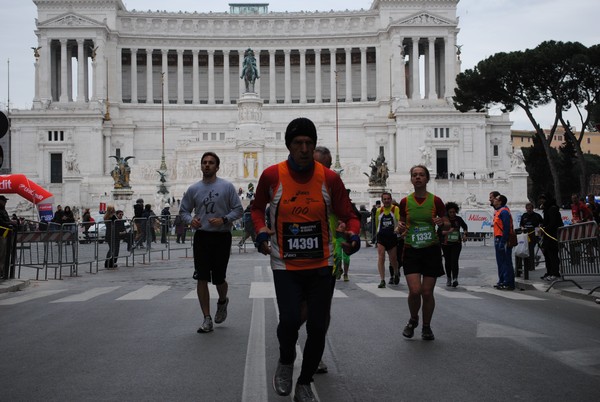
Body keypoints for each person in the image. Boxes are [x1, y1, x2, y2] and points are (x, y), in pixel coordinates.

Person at [251, 117, 360, 401]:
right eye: (298, 143)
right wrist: (261, 231)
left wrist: (353, 236)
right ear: (288, 145)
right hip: (285, 264)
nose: (303, 148)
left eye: (309, 143)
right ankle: (286, 360)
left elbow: (349, 215)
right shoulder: (272, 175)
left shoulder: (330, 178)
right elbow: (255, 209)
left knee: (318, 326)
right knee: (288, 320)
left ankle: (305, 381)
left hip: (321, 263)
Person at [180, 151, 243, 334]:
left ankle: (222, 300)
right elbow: (184, 211)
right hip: (202, 236)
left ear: (217, 166)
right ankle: (206, 318)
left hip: (222, 236)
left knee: (219, 278)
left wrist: (224, 219)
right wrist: (190, 220)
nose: (207, 165)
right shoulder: (193, 189)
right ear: (201, 166)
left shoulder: (227, 187)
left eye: (211, 162)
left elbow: (238, 209)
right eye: (204, 162)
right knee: (201, 277)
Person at [397, 165, 448, 341]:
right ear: (411, 179)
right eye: (414, 175)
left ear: (427, 178)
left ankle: (426, 326)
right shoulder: (405, 202)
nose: (418, 178)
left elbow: (448, 224)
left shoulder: (436, 201)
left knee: (427, 292)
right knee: (415, 290)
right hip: (411, 249)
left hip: (431, 250)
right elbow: (400, 225)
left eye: (421, 175)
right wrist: (399, 228)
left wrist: (442, 222)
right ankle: (413, 318)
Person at [438, 201, 468, 287]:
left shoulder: (458, 219)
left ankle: (455, 278)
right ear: (447, 212)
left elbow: (465, 226)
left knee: (454, 260)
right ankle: (448, 278)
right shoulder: (444, 220)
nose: (452, 214)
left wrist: (465, 235)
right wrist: (447, 232)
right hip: (446, 244)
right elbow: (440, 232)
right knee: (448, 262)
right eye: (450, 212)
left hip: (456, 243)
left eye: (454, 212)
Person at [375, 192, 400, 288]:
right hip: (381, 237)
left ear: (391, 199)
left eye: (388, 199)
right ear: (382, 200)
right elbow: (377, 223)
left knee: (393, 258)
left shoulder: (395, 209)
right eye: (384, 199)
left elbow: (398, 220)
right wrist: (377, 235)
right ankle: (382, 280)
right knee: (381, 257)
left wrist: (398, 230)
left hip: (392, 236)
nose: (386, 201)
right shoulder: (379, 210)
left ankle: (396, 272)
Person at [492, 194, 516, 290]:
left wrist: (503, 240)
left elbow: (506, 227)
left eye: (496, 199)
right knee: (501, 262)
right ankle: (503, 280)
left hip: (503, 239)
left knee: (506, 262)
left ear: (500, 201)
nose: (494, 200)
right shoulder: (499, 211)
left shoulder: (504, 212)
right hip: (499, 238)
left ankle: (508, 282)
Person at [538, 194, 563, 280]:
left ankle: (555, 273)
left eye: (543, 199)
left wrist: (544, 228)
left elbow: (553, 223)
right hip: (547, 235)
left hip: (552, 235)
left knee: (553, 255)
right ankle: (549, 272)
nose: (541, 201)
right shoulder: (547, 209)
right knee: (547, 255)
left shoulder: (552, 209)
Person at [518, 202, 543, 274]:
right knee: (524, 250)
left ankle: (531, 266)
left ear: (532, 208)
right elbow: (521, 224)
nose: (529, 210)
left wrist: (539, 229)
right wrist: (522, 228)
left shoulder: (537, 216)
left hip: (534, 235)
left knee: (531, 249)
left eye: (530, 208)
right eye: (527, 208)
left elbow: (541, 223)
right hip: (525, 235)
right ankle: (530, 262)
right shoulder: (524, 215)